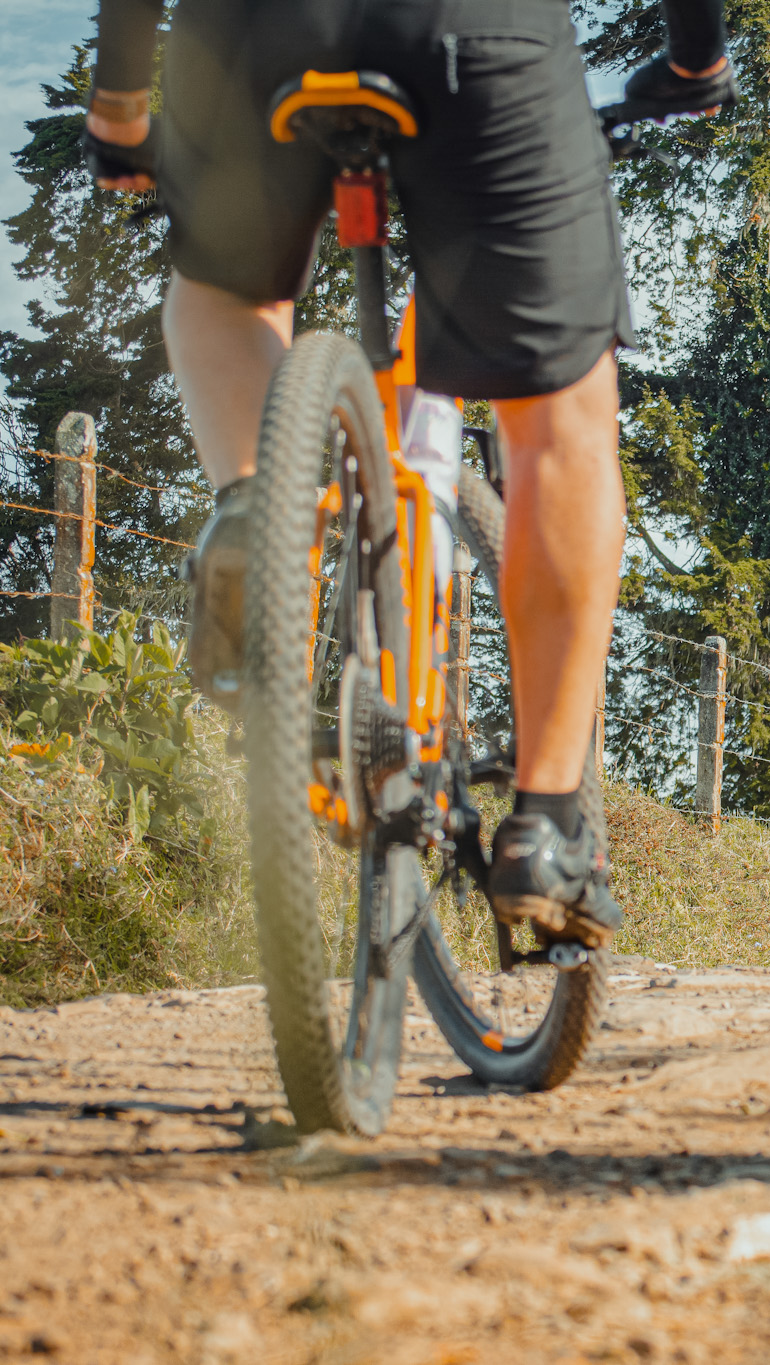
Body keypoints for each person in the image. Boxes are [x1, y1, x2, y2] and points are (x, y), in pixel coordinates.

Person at [79, 0, 730, 946]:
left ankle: (261, 516)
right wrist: (695, 60)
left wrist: (121, 104)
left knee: (221, 295)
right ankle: (548, 829)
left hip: (257, 34)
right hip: (479, 36)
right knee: (561, 419)